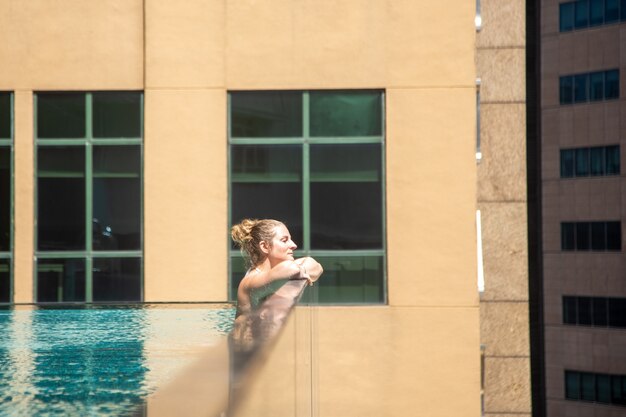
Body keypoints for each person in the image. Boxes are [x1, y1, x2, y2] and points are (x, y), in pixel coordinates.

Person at [231, 218, 323, 317]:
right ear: (265, 247)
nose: (294, 245)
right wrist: (300, 271)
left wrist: (300, 271)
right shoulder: (250, 281)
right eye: (284, 240)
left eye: (290, 240)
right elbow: (291, 269)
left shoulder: (280, 273)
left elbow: (317, 267)